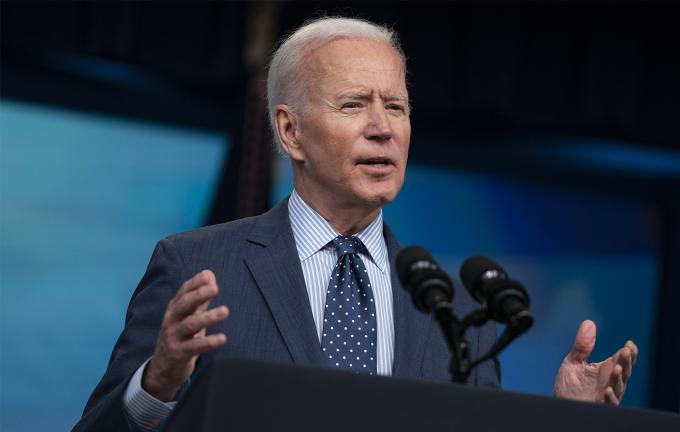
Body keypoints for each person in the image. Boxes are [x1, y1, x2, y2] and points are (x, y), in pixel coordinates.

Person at [73, 17, 638, 432]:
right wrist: (159, 382)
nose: (382, 128)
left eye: (395, 106)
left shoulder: (456, 307)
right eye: (353, 105)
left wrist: (570, 422)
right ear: (291, 132)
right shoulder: (198, 265)